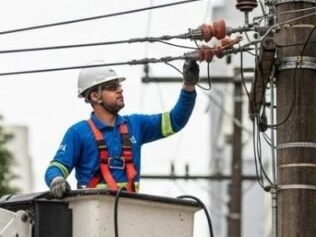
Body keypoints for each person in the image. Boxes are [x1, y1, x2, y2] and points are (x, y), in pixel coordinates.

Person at [45, 60, 200, 197]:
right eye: (112, 87)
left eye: (119, 85)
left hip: (128, 216)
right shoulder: (78, 133)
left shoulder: (136, 125)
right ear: (94, 96)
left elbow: (175, 121)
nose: (120, 90)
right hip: (91, 217)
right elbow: (57, 167)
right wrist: (57, 180)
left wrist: (189, 86)